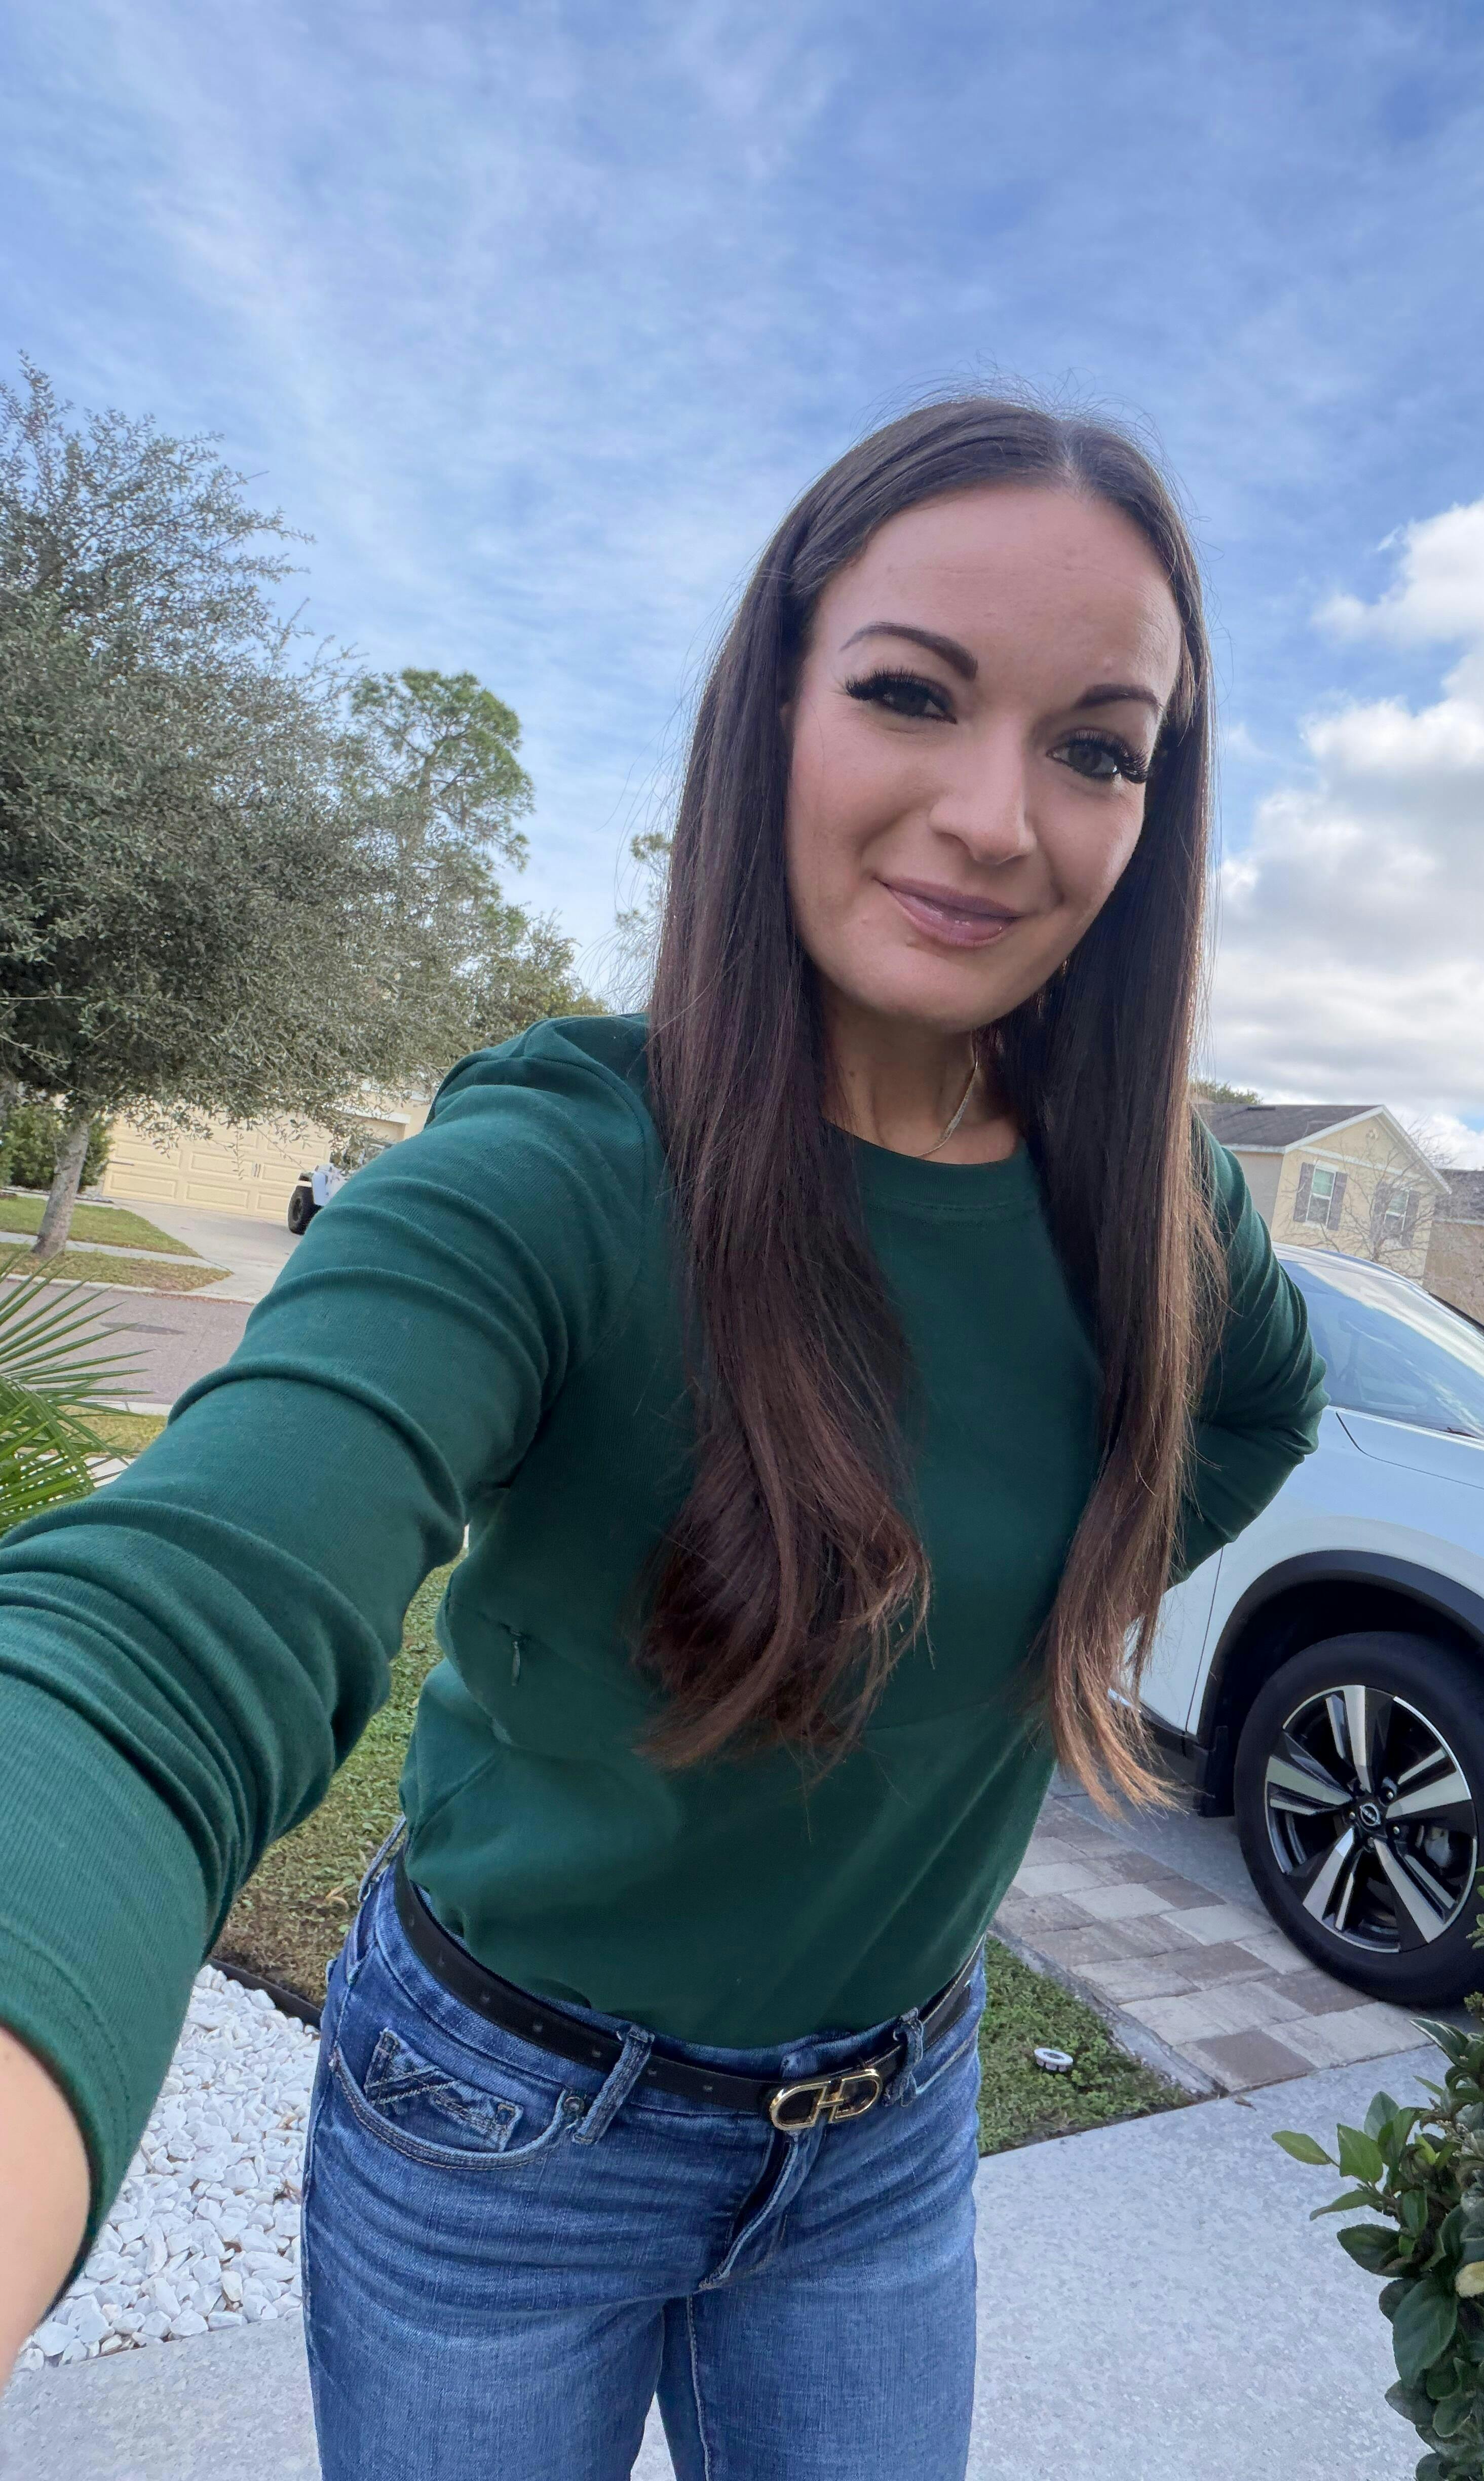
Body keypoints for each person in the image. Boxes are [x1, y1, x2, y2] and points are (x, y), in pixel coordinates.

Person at [0, 396, 1325, 2477]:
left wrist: (1004, 1607)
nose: (998, 817)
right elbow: (167, 1631)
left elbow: (1257, 1407)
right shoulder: (551, 1172)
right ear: (773, 706)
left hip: (896, 2126)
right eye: (911, 693)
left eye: (1098, 747)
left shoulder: (1157, 1195)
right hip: (506, 2127)